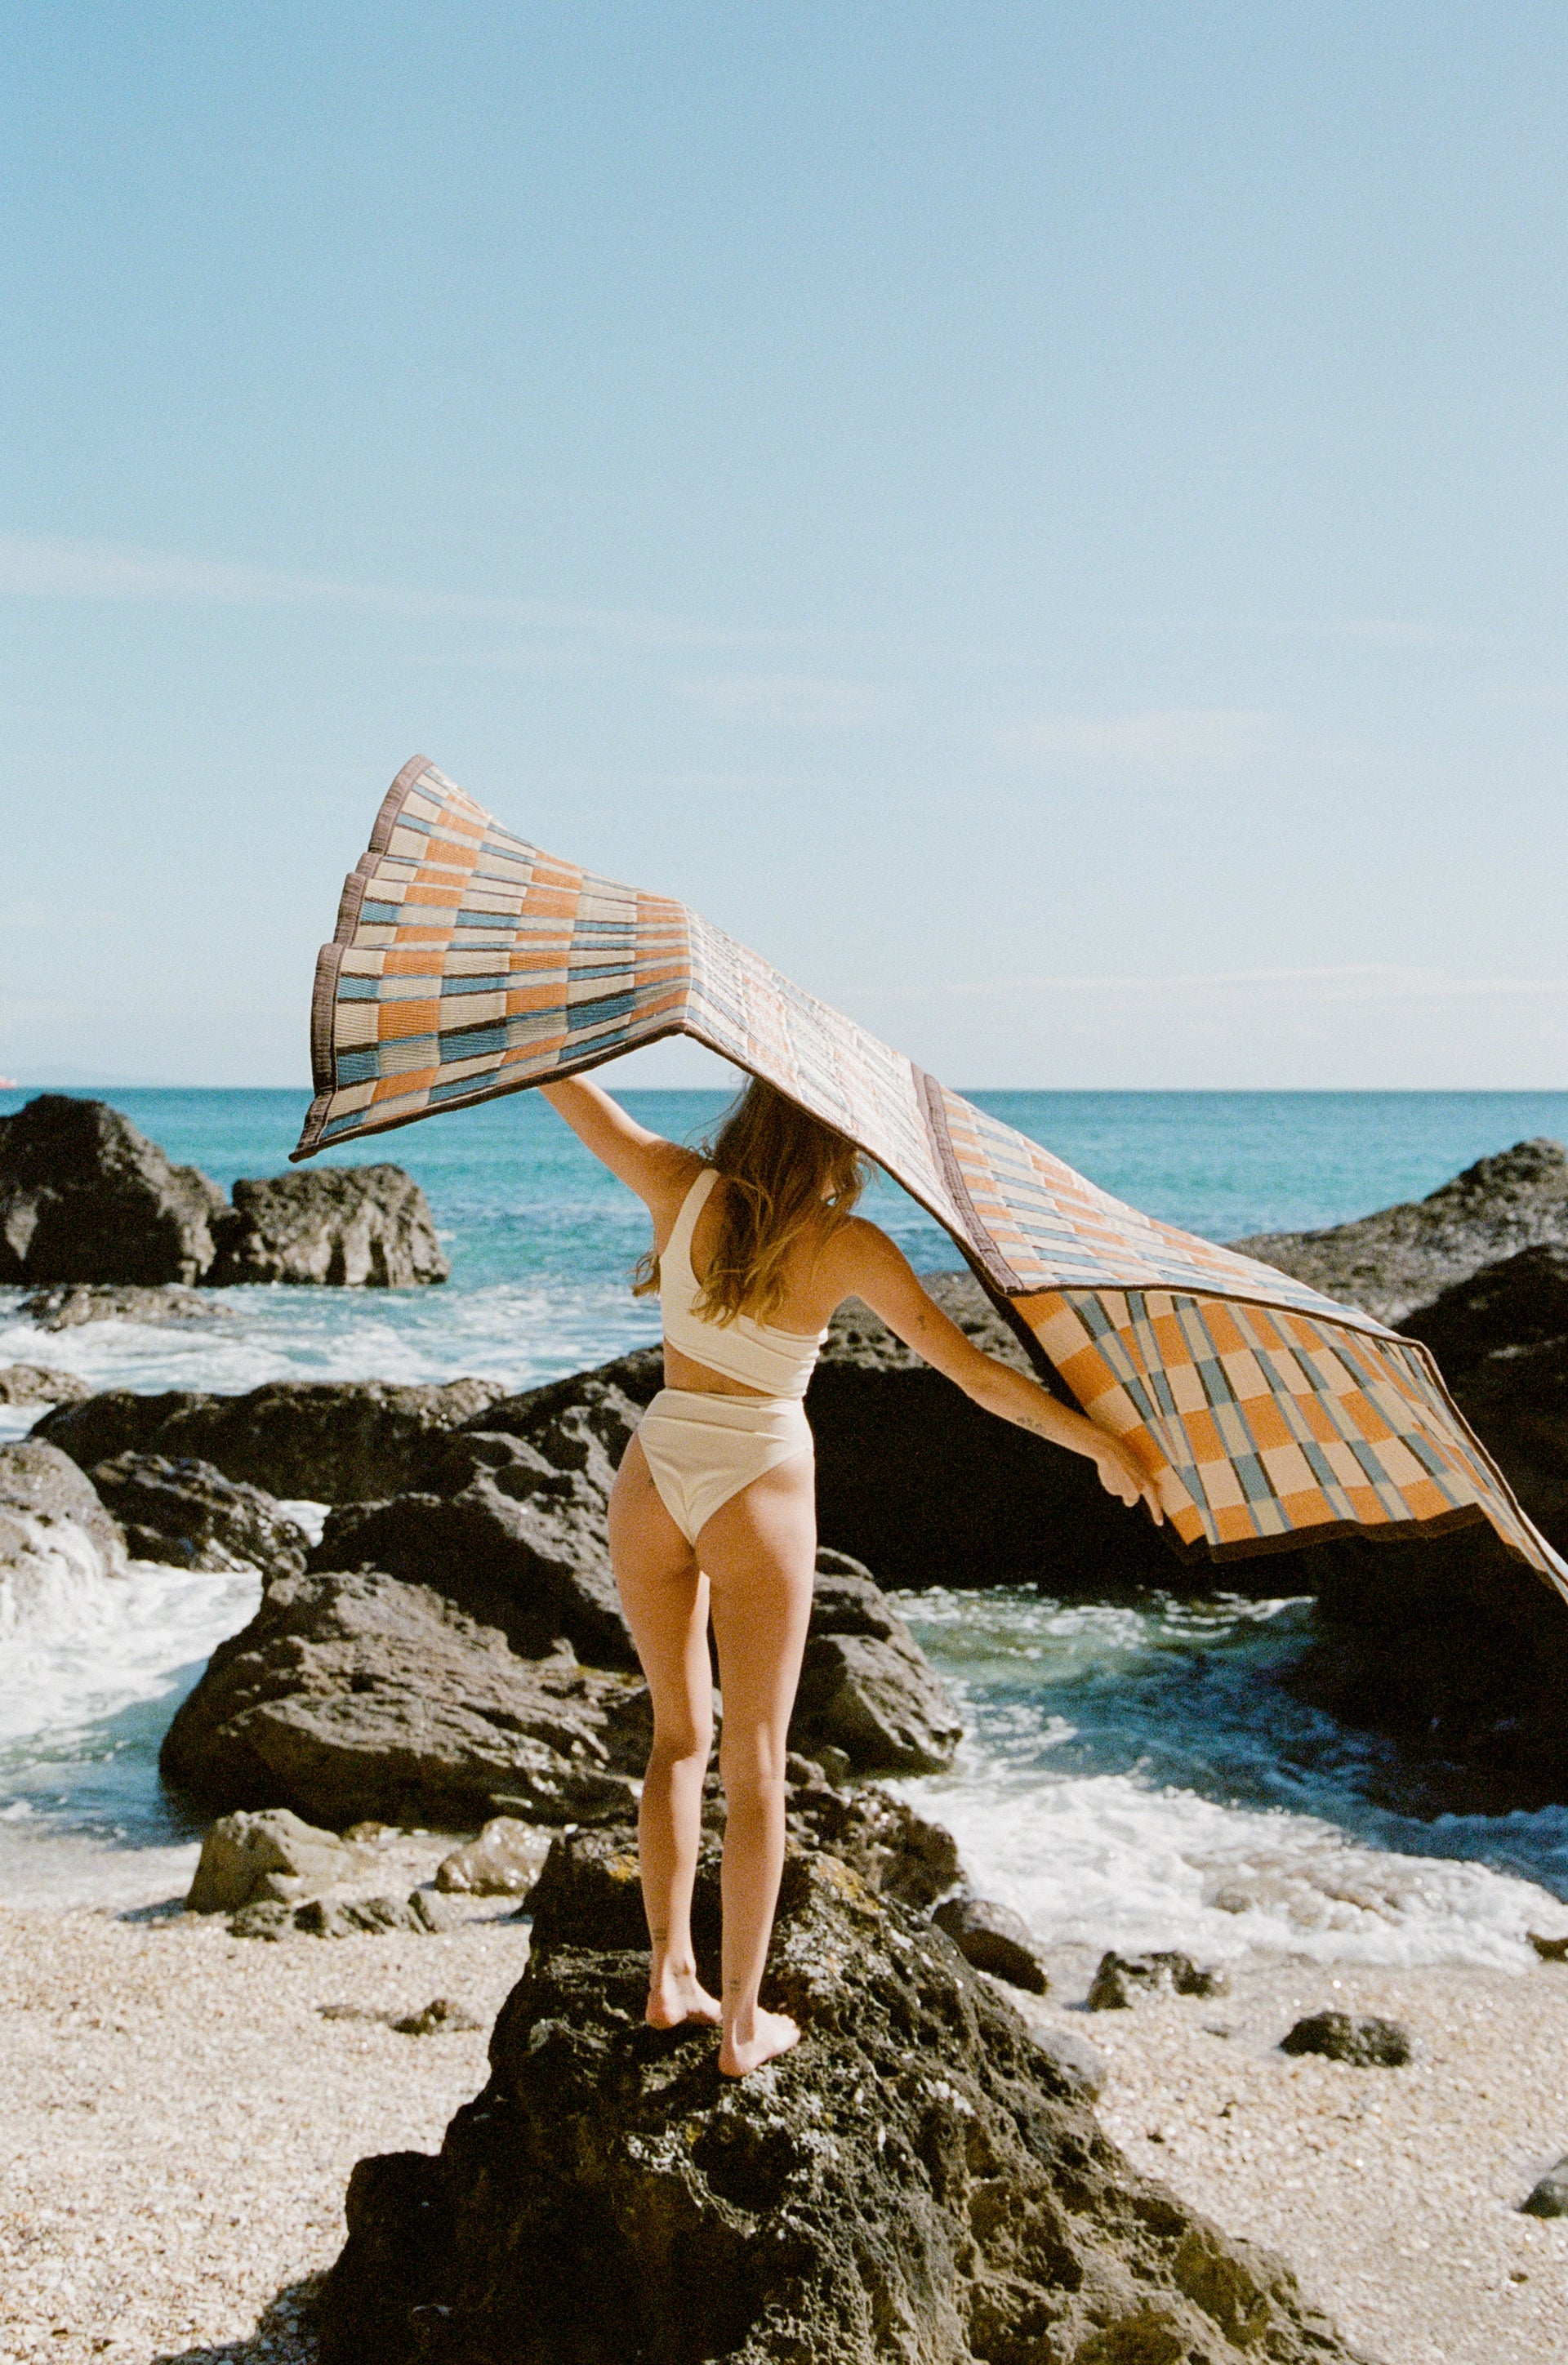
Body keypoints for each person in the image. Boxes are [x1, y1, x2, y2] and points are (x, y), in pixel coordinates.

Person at [541, 1072, 1163, 2077]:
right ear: (843, 1142)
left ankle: (669, 1975)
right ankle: (741, 2024)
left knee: (675, 1737)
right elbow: (970, 1374)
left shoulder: (678, 1183)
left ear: (753, 1115)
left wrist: (527, 1021)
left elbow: (573, 1097)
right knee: (758, 1763)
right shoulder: (845, 1244)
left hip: (654, 1471)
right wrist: (1095, 1442)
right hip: (758, 1484)